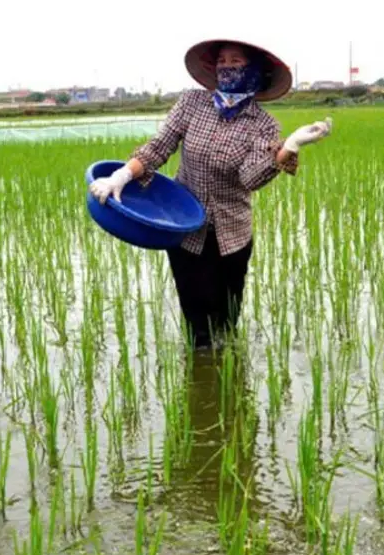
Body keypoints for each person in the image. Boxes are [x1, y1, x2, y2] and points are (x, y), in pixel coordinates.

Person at [89, 38, 333, 350]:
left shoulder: (263, 125)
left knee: (227, 317)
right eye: (221, 62)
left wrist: (290, 147)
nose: (227, 68)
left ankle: (226, 381)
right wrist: (121, 175)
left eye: (236, 61)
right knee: (196, 320)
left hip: (232, 234)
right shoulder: (192, 103)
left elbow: (249, 177)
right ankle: (201, 367)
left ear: (255, 70)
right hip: (185, 227)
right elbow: (159, 146)